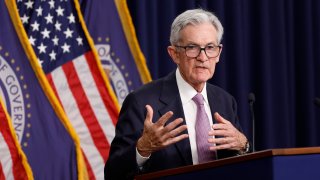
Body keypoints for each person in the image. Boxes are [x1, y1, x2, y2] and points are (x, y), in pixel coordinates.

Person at [104, 8, 250, 179]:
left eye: (210, 47)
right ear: (174, 54)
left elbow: (245, 165)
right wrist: (142, 149)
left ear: (218, 53)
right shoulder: (142, 101)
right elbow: (113, 173)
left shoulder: (225, 101)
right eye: (192, 47)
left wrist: (244, 145)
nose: (203, 57)